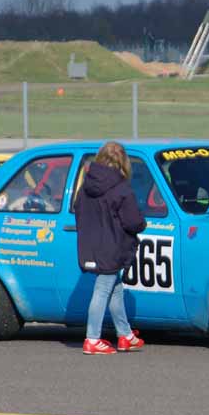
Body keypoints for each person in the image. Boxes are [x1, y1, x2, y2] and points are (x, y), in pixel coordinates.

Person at [75, 142, 148, 355]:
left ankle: (125, 335)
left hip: (90, 245)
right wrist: (142, 224)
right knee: (103, 289)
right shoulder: (121, 188)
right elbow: (133, 222)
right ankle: (92, 338)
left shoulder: (86, 185)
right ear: (123, 162)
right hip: (113, 247)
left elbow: (78, 210)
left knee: (115, 289)